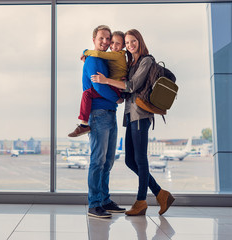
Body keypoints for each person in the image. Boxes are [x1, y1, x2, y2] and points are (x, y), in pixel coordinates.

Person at [91, 29, 175, 216]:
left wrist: (106, 80)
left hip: (141, 115)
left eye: (132, 41)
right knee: (130, 160)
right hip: (131, 115)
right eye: (127, 43)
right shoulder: (132, 63)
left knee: (140, 160)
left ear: (140, 41)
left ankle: (141, 201)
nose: (130, 45)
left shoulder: (146, 60)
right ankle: (161, 194)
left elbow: (132, 86)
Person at [82, 25, 126, 218]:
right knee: (98, 160)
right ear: (94, 39)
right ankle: (94, 204)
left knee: (108, 160)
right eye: (102, 38)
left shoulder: (104, 59)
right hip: (98, 112)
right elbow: (98, 86)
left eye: (108, 39)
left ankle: (104, 200)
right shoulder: (93, 59)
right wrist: (116, 99)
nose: (106, 42)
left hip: (110, 113)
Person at [68, 31, 127, 137]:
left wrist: (86, 52)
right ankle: (83, 124)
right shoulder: (101, 59)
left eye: (108, 39)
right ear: (94, 40)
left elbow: (100, 86)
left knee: (87, 94)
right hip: (103, 110)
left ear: (123, 45)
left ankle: (83, 124)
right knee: (103, 154)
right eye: (111, 42)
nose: (109, 44)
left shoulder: (113, 56)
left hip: (109, 107)